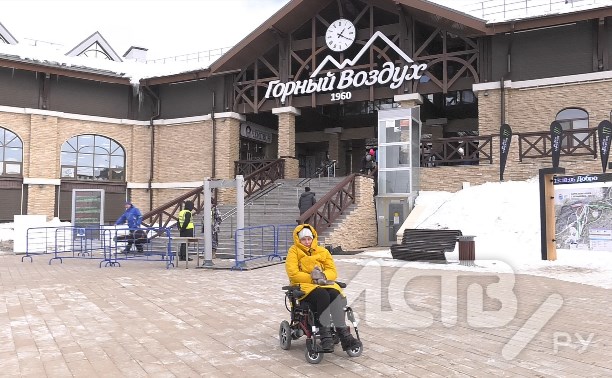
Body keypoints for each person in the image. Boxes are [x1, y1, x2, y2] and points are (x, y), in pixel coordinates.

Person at [285, 224, 361, 352]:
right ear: (298, 240)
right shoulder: (294, 251)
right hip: (305, 287)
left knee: (335, 294)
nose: (307, 242)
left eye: (309, 239)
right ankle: (326, 336)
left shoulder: (323, 251)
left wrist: (323, 276)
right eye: (303, 239)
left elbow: (332, 270)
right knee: (323, 295)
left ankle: (344, 335)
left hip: (324, 283)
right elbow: (293, 273)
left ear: (313, 238)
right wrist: (312, 278)